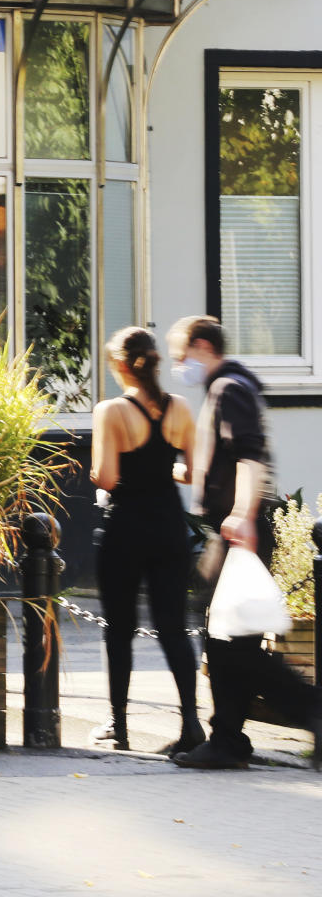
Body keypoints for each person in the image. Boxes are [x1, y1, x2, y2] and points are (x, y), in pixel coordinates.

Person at [166, 314, 322, 770]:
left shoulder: (228, 388)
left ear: (200, 345)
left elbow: (250, 456)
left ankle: (302, 713)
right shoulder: (231, 388)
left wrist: (241, 514)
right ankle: (228, 739)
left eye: (181, 357)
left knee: (231, 643)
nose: (180, 367)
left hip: (237, 529)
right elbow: (228, 461)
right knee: (229, 641)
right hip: (232, 528)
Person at [90, 326, 204, 756]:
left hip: (127, 528)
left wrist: (114, 475)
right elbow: (190, 473)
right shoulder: (181, 407)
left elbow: (106, 477)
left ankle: (119, 725)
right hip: (171, 526)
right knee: (173, 627)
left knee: (118, 630)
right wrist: (159, 470)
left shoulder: (111, 411)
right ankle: (192, 723)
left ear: (120, 365)